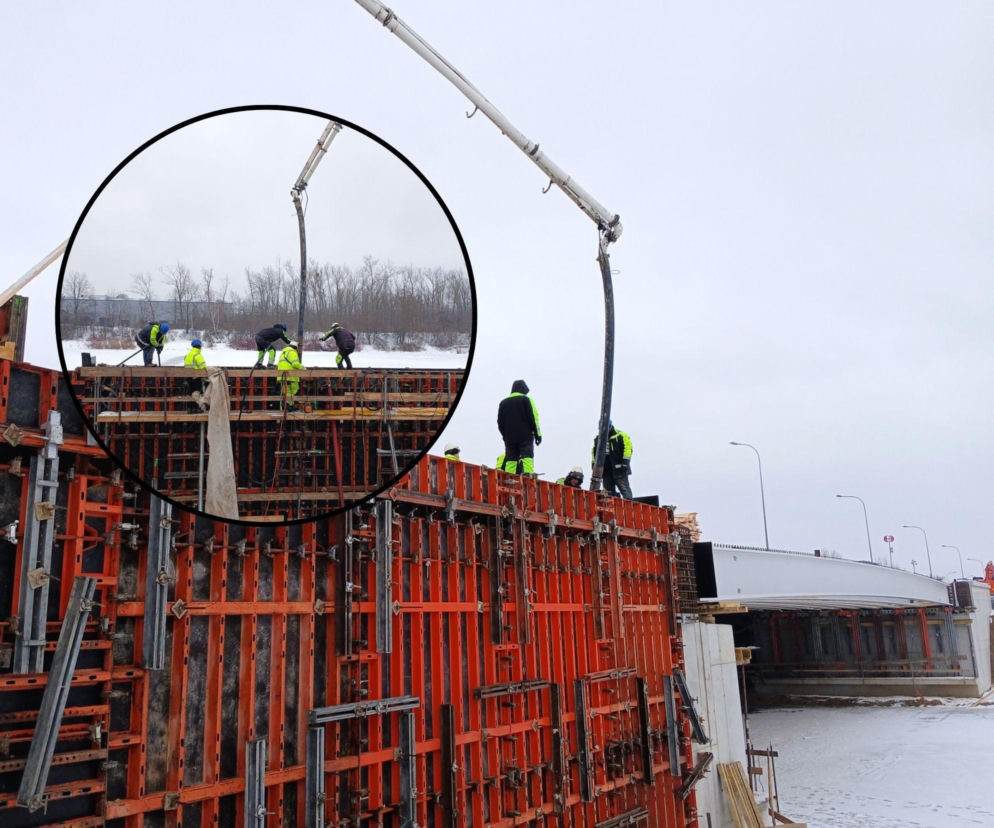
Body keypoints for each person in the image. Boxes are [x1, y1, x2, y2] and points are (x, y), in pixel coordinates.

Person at [497, 379, 541, 474]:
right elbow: (533, 417)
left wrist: (505, 436)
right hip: (525, 435)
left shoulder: (503, 403)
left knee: (511, 459)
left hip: (510, 437)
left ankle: (510, 476)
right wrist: (538, 434)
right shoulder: (526, 399)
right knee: (527, 456)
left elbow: (500, 422)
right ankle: (528, 475)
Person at [592, 421, 633, 499]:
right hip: (606, 470)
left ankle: (629, 506)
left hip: (619, 468)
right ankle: (613, 507)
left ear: (610, 426)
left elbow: (628, 449)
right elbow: (594, 452)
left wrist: (625, 462)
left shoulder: (620, 435)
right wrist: (594, 463)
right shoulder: (598, 439)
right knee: (608, 491)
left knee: (624, 489)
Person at [277, 340, 304, 408]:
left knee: (283, 393)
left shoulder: (283, 353)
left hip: (282, 376)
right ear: (296, 348)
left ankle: (282, 409)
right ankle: (289, 407)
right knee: (293, 390)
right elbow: (295, 364)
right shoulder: (292, 352)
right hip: (290, 376)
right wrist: (303, 368)